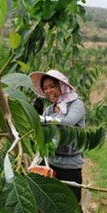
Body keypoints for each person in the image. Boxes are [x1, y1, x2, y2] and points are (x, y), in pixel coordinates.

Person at [30, 69, 86, 204]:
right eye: (45, 88)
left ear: (62, 86)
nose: (49, 91)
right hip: (52, 161)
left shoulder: (76, 104)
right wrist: (35, 113)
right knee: (53, 202)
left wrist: (41, 119)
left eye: (52, 86)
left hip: (70, 164)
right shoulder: (49, 110)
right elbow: (43, 133)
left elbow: (68, 122)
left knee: (72, 203)